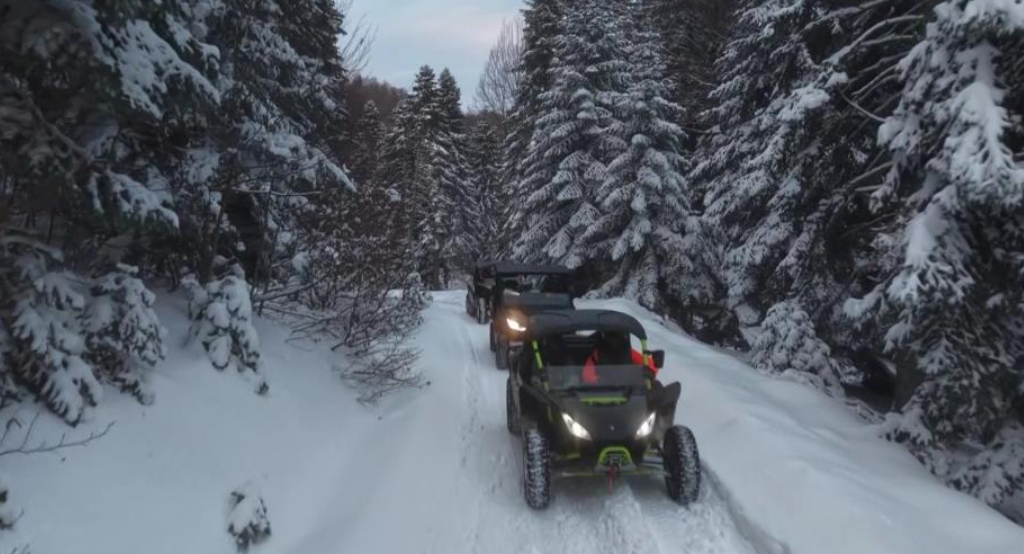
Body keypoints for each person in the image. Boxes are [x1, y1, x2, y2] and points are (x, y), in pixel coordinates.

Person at [581, 332, 657, 384]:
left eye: (617, 336)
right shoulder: (597, 354)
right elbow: (587, 376)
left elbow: (651, 365)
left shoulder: (628, 353)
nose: (614, 341)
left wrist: (645, 372)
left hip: (627, 396)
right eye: (611, 336)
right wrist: (603, 381)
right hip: (600, 396)